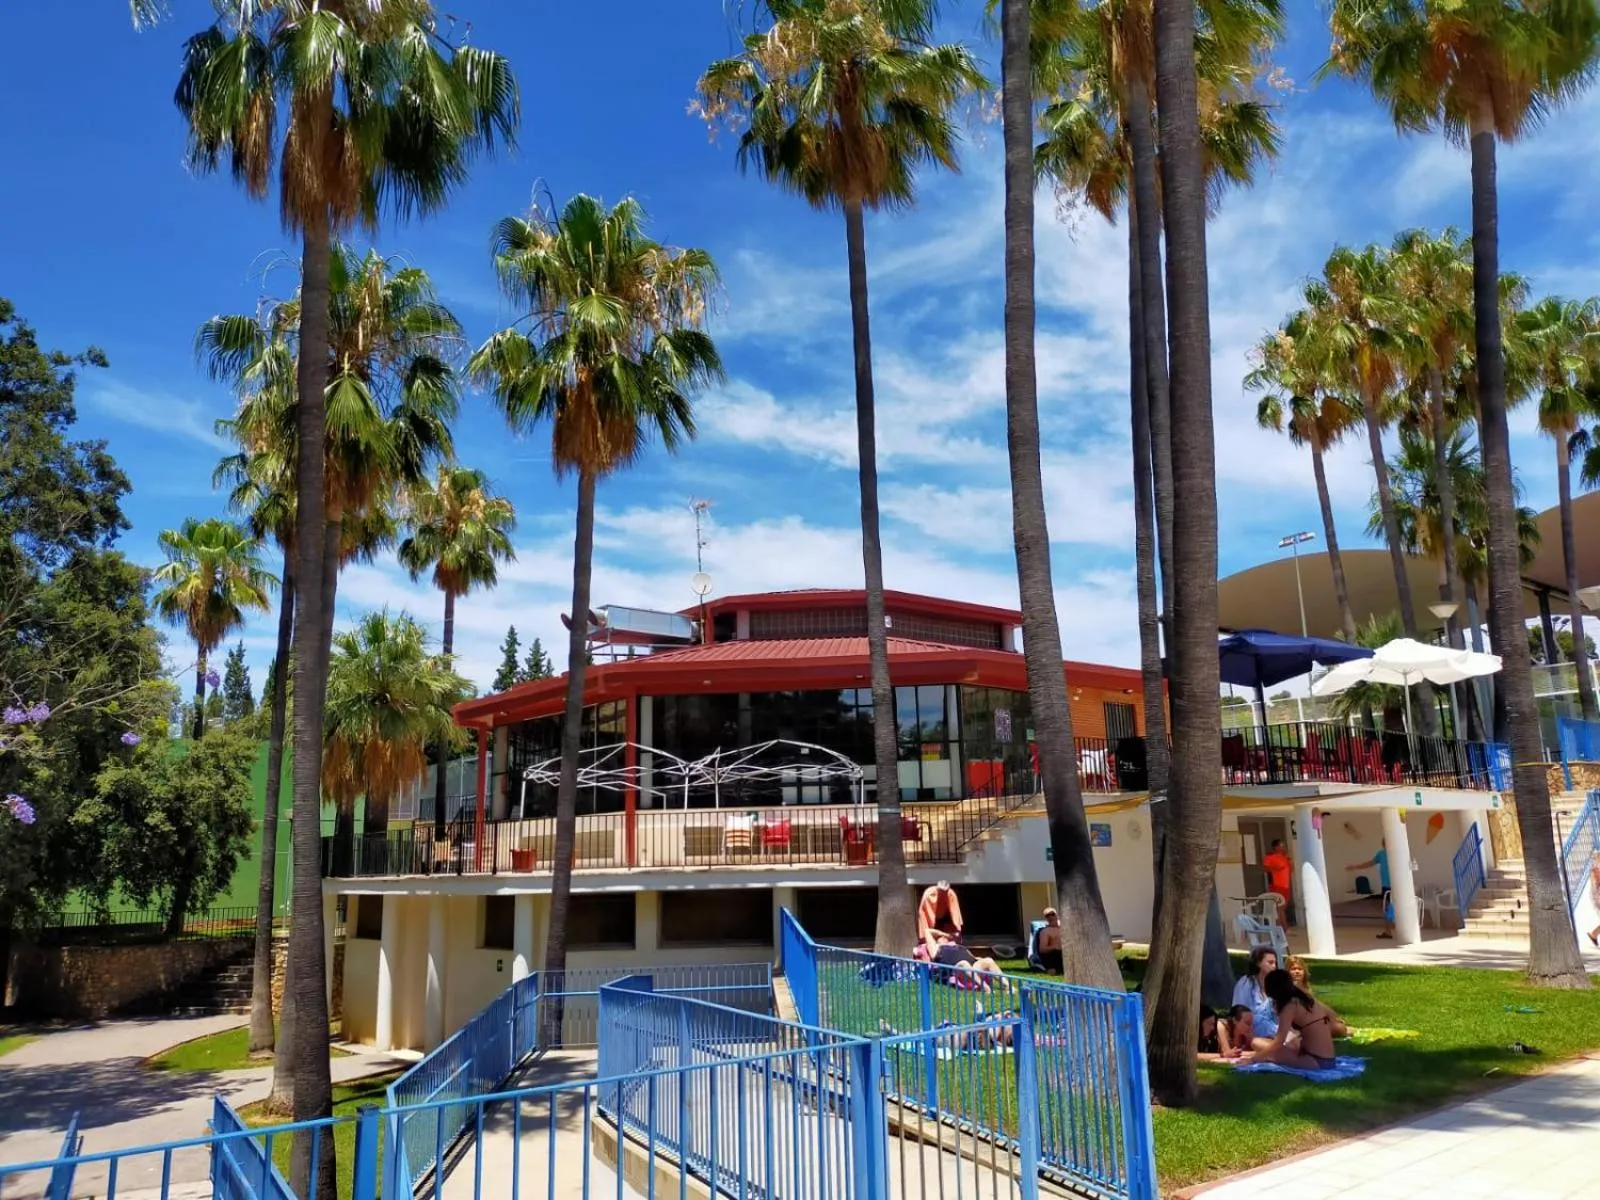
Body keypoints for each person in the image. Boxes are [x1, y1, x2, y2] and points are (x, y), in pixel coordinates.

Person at [1259, 968, 1348, 1071]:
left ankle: (1254, 1056)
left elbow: (1278, 1042)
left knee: (1258, 1043)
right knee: (1280, 1044)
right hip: (1329, 1060)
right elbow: (1332, 1015)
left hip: (1316, 1061)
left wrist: (1253, 1060)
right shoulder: (1306, 999)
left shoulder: (1289, 1006)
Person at [923, 927, 1005, 990]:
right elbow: (927, 931)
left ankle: (1008, 987)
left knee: (988, 960)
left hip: (972, 967)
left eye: (945, 938)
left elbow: (973, 957)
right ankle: (985, 988)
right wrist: (945, 934)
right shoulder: (936, 949)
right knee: (964, 963)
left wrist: (980, 960)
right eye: (940, 938)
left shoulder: (958, 946)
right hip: (957, 971)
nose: (944, 938)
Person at [1231, 946, 1280, 1045]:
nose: (1274, 966)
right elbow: (1240, 1013)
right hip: (1253, 1032)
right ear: (1258, 963)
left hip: (1274, 1031)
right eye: (1270, 963)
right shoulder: (1246, 983)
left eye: (1275, 963)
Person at [1347, 843, 1395, 938]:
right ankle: (1388, 930)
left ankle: (1390, 930)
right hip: (1386, 886)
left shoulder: (1396, 853)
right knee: (1388, 908)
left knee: (1391, 908)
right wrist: (1355, 867)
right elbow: (1370, 863)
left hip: (1396, 885)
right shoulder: (1381, 854)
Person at [1262, 838, 1294, 928]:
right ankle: (1282, 928)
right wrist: (1275, 869)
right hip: (1276, 885)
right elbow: (1265, 868)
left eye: (1283, 845)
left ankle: (1283, 928)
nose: (1283, 847)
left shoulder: (1285, 858)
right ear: (1275, 847)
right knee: (1279, 907)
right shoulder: (1270, 857)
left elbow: (1291, 870)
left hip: (1286, 885)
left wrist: (1290, 860)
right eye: (1281, 845)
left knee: (1283, 907)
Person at [1035, 906, 1063, 973]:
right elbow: (1042, 949)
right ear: (1046, 918)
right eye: (1047, 915)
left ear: (1057, 915)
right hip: (1055, 956)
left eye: (1052, 914)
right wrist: (1055, 947)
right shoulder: (1045, 932)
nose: (1050, 917)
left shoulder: (1064, 927)